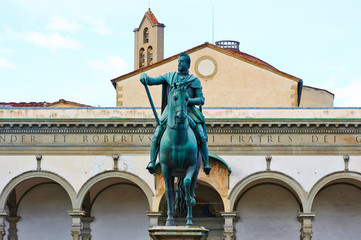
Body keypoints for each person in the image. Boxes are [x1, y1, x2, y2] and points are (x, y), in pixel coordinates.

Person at [140, 52, 211, 175]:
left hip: (189, 110)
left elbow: (201, 100)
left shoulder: (194, 80)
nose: (179, 64)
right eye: (178, 62)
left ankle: (206, 162)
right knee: (157, 132)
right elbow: (153, 81)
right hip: (172, 110)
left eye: (182, 62)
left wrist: (189, 100)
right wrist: (145, 77)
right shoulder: (170, 76)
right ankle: (151, 161)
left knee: (200, 134)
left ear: (188, 64)